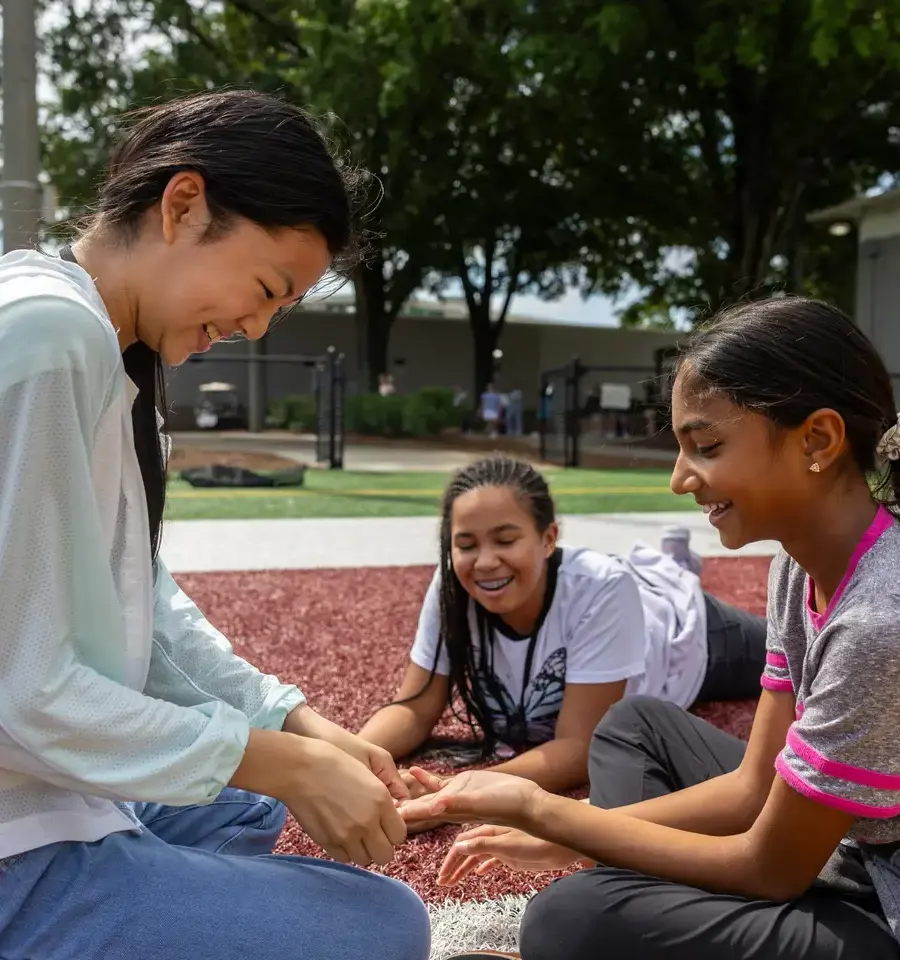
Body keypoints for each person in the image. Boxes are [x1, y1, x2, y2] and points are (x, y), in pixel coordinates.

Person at [0, 90, 429, 960]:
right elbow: (19, 690)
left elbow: (138, 606)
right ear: (183, 204)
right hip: (16, 834)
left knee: (246, 799)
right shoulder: (48, 335)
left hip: (48, 781)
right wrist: (275, 757)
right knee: (385, 927)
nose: (255, 325)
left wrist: (294, 726)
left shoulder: (110, 352)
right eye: (266, 289)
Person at [400, 297, 900, 960]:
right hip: (836, 843)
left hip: (877, 907)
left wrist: (549, 816)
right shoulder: (795, 569)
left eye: (707, 446)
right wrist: (574, 833)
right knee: (636, 725)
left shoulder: (877, 622)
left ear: (817, 440)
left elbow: (771, 869)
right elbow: (756, 786)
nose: (678, 478)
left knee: (569, 919)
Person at [358, 455, 766, 829]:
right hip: (627, 612)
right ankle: (673, 561)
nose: (484, 561)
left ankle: (674, 569)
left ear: (549, 539)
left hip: (690, 634)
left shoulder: (602, 588)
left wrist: (452, 793)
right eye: (466, 545)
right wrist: (351, 757)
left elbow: (578, 746)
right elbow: (415, 707)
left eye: (505, 540)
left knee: (799, 654)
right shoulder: (452, 585)